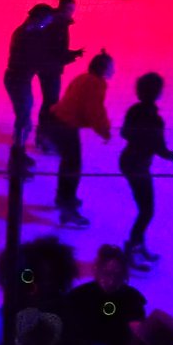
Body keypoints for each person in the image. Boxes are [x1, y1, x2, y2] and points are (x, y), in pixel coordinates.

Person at [36, 52, 113, 224]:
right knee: (73, 167)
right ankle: (67, 208)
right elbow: (94, 111)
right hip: (65, 126)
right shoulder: (96, 84)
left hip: (56, 121)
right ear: (105, 69)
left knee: (68, 164)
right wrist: (104, 131)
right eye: (111, 67)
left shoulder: (83, 78)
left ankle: (63, 198)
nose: (113, 70)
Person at [118, 73, 173, 273]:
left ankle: (138, 245)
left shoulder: (134, 110)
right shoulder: (155, 120)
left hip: (128, 161)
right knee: (147, 210)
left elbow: (124, 132)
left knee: (144, 208)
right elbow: (161, 149)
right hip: (139, 166)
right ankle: (133, 248)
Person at [3, 4, 54, 160]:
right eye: (45, 22)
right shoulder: (26, 35)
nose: (46, 26)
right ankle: (18, 153)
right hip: (18, 81)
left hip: (18, 80)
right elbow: (30, 59)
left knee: (24, 117)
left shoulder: (26, 32)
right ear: (38, 19)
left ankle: (19, 150)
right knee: (24, 119)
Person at [35, 0, 83, 111]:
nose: (72, 12)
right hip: (50, 68)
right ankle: (46, 125)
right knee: (51, 100)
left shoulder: (55, 21)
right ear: (64, 9)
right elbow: (55, 50)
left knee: (49, 99)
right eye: (70, 9)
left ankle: (46, 124)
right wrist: (71, 55)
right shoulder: (59, 24)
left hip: (46, 67)